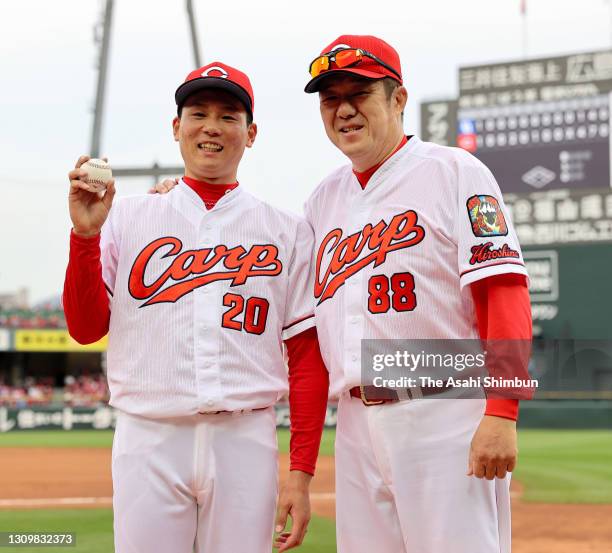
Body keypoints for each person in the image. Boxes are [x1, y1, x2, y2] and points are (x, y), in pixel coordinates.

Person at [63, 61, 329, 553]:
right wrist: (85, 236)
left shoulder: (287, 229)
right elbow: (84, 328)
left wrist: (301, 471)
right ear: (176, 127)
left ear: (250, 134)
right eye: (197, 113)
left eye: (228, 116)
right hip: (149, 435)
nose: (211, 126)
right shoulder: (127, 217)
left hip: (244, 437)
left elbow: (307, 356)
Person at [302, 35, 533, 552]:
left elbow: (506, 292)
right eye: (330, 97)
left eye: (358, 92)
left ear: (398, 99)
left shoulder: (454, 171)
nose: (343, 109)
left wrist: (502, 411)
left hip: (443, 409)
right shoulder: (322, 200)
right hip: (357, 422)